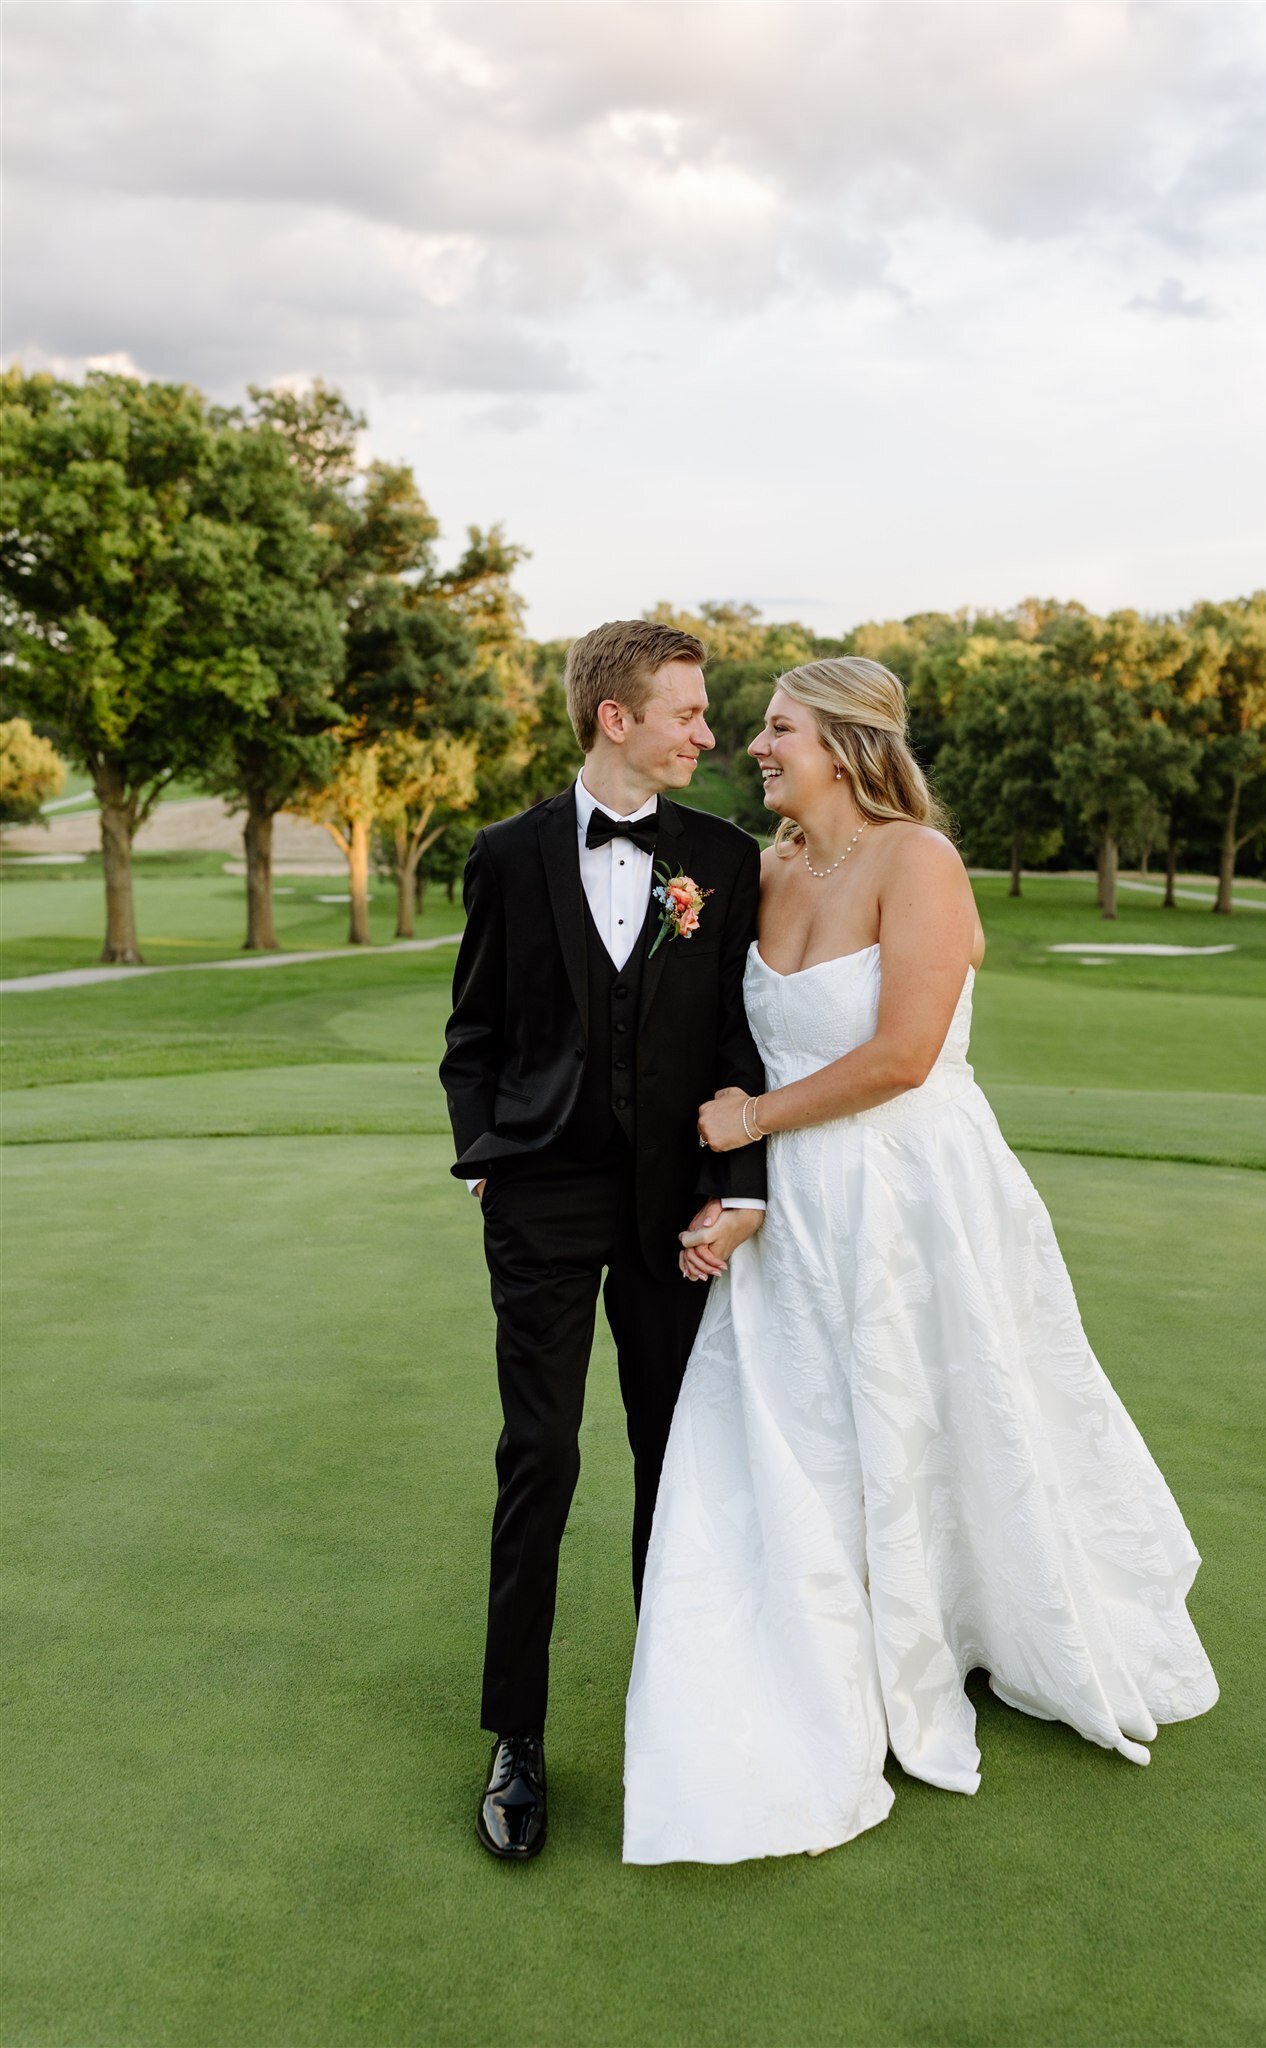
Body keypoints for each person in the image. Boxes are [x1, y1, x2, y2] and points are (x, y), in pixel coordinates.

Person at [623, 656, 1219, 1865]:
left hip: (915, 1191)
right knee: (802, 1426)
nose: (754, 744)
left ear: (843, 743)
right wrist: (730, 1183)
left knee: (946, 1412)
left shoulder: (921, 861)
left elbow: (903, 1053)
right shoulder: (762, 868)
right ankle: (820, 1649)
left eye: (778, 727)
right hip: (793, 1203)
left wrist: (750, 1125)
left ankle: (961, 1621)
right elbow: (726, 1038)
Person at [439, 619, 768, 1862]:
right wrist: (487, 1159)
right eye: (688, 710)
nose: (710, 731)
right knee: (543, 1456)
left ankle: (669, 1717)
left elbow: (744, 1051)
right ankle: (516, 1735)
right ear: (614, 718)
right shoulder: (509, 854)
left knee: (670, 1460)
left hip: (673, 1212)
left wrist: (737, 1190)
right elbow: (471, 1038)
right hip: (542, 1203)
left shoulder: (724, 860)